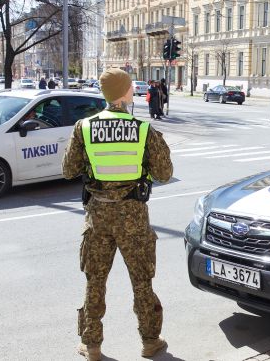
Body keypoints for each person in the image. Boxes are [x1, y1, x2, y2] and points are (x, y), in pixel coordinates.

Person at [62, 68, 173, 361]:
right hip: (133, 215)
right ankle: (150, 341)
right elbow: (165, 172)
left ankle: (92, 345)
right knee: (142, 281)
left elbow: (68, 170)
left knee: (95, 281)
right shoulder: (143, 129)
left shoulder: (83, 128)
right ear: (125, 93)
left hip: (98, 214)